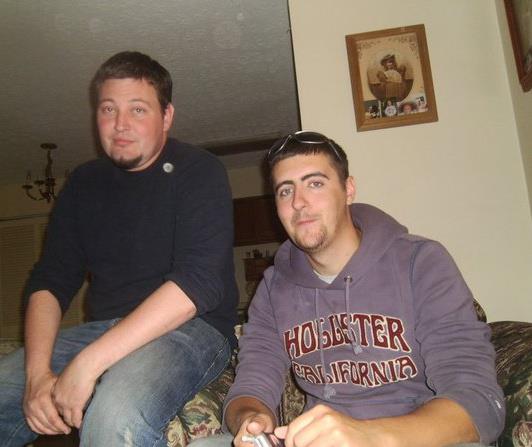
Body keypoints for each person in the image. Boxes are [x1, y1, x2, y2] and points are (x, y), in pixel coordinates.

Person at [191, 131, 505, 447]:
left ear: (348, 190)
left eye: (315, 183)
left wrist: (370, 436)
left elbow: (479, 403)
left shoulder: (420, 262)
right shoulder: (274, 289)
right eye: (285, 191)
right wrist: (251, 421)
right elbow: (251, 385)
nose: (298, 202)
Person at [0, 51, 238, 446]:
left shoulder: (200, 169)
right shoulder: (83, 183)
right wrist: (37, 376)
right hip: (103, 327)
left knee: (114, 414)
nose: (120, 124)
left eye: (137, 110)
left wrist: (89, 363)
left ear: (166, 117)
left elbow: (200, 284)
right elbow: (50, 280)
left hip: (194, 329)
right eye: (108, 109)